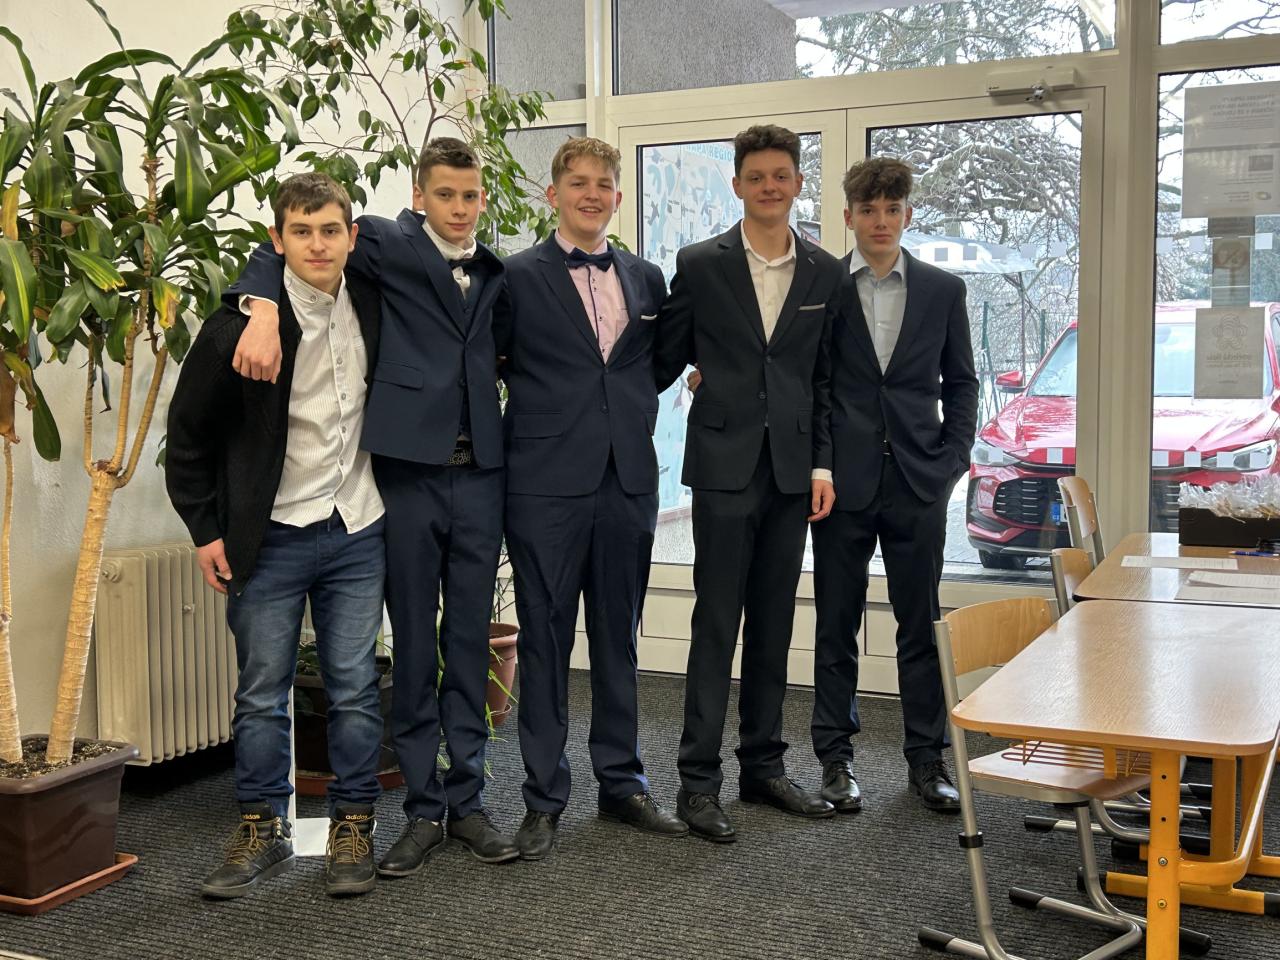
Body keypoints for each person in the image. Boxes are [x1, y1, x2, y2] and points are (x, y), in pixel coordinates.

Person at [227, 138, 519, 872]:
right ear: (419, 196)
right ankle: (421, 810)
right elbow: (286, 247)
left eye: (470, 195)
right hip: (407, 480)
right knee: (414, 647)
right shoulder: (383, 242)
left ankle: (469, 801)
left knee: (468, 645)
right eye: (444, 194)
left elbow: (511, 355)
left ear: (483, 198)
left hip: (481, 479)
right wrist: (258, 306)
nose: (459, 207)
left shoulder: (496, 270)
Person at [166, 173, 385, 898]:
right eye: (301, 232)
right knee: (262, 692)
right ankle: (263, 826)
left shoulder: (376, 299)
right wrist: (205, 530)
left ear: (353, 236)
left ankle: (354, 824)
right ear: (277, 240)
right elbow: (187, 436)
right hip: (270, 536)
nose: (318, 245)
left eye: (330, 230)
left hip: (357, 525)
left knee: (355, 687)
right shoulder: (237, 328)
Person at [493, 137, 687, 860]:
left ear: (617, 197)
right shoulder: (516, 276)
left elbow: (654, 365)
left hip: (627, 480)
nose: (592, 194)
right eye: (578, 183)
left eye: (603, 184)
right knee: (545, 641)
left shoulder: (647, 277)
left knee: (618, 638)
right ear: (554, 195)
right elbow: (496, 362)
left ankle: (622, 783)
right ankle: (544, 798)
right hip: (543, 484)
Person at [653, 124, 841, 843]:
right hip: (723, 467)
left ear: (797, 184)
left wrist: (822, 464)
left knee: (774, 623)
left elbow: (824, 378)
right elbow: (665, 355)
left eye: (780, 175)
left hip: (792, 473)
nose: (769, 187)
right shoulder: (700, 264)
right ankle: (698, 783)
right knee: (716, 623)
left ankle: (763, 767)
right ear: (737, 185)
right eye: (756, 176)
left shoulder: (824, 270)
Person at [810, 157, 978, 814]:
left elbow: (962, 383)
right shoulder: (824, 286)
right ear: (849, 216)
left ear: (907, 214)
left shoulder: (943, 290)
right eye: (868, 210)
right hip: (841, 486)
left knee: (920, 625)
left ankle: (926, 761)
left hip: (917, 481)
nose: (880, 221)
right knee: (836, 623)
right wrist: (820, 466)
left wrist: (950, 462)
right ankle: (835, 760)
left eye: (891, 209)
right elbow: (816, 386)